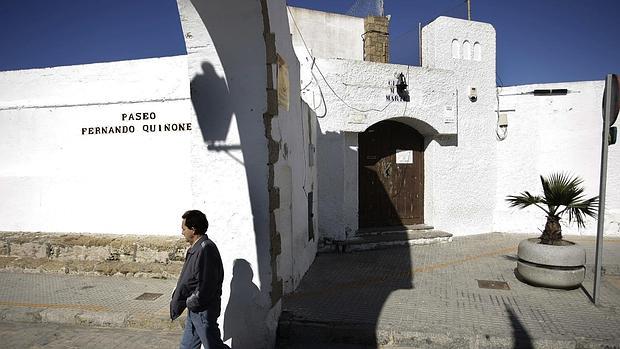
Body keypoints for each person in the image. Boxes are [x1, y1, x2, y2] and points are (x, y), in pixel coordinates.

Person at [170, 210, 230, 349]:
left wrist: (192, 302)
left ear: (193, 229)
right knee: (188, 346)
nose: (182, 232)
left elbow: (206, 285)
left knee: (213, 346)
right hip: (196, 309)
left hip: (203, 310)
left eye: (184, 228)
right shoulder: (197, 248)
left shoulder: (206, 250)